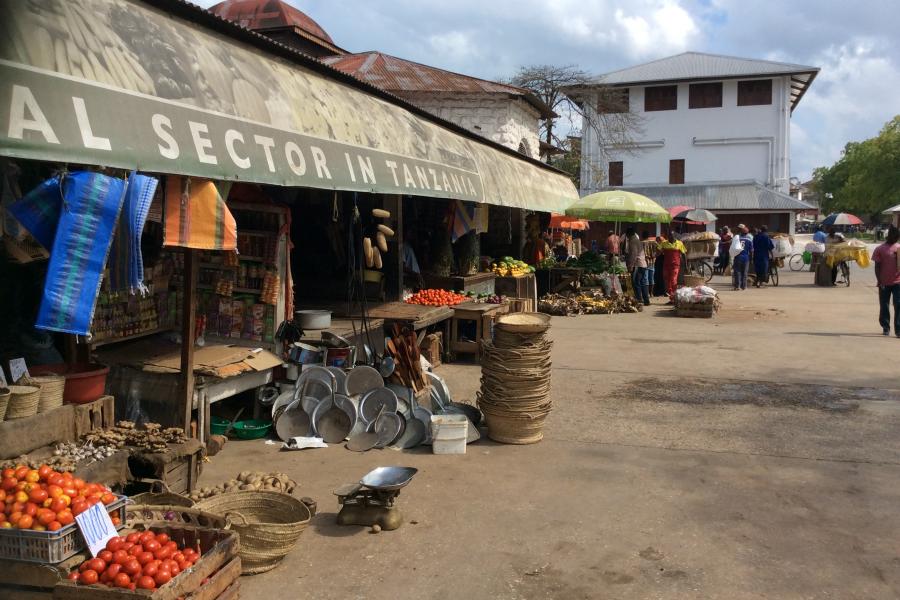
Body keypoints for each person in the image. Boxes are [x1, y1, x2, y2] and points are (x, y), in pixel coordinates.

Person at [872, 225, 900, 337]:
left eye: (897, 237)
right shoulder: (880, 249)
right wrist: (879, 281)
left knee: (898, 304)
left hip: (898, 282)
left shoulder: (899, 248)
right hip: (884, 282)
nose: (895, 239)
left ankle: (898, 329)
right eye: (894, 236)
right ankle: (885, 327)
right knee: (884, 305)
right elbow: (877, 266)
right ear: (889, 236)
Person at [658, 231, 686, 304]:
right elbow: (658, 251)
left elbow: (684, 255)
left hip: (675, 265)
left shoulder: (679, 243)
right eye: (669, 236)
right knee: (667, 282)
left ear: (674, 236)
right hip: (666, 265)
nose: (670, 237)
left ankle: (674, 298)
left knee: (674, 281)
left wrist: (685, 266)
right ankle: (671, 297)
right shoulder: (664, 243)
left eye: (671, 236)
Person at [624, 227, 650, 306]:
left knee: (636, 282)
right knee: (642, 282)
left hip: (637, 264)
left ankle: (639, 300)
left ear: (628, 234)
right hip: (642, 264)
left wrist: (630, 265)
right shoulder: (637, 240)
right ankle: (646, 300)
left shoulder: (633, 241)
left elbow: (633, 255)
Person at [732, 225, 752, 291]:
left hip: (737, 257)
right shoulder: (749, 240)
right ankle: (744, 287)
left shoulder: (737, 239)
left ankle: (737, 286)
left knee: (737, 272)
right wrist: (751, 258)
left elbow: (733, 248)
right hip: (746, 258)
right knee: (744, 273)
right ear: (747, 233)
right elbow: (751, 250)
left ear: (741, 232)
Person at [641, 231, 657, 297]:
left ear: (642, 236)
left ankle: (647, 293)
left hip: (645, 262)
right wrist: (654, 255)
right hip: (652, 262)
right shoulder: (654, 242)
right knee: (652, 278)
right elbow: (659, 249)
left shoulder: (641, 243)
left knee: (645, 278)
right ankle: (651, 293)